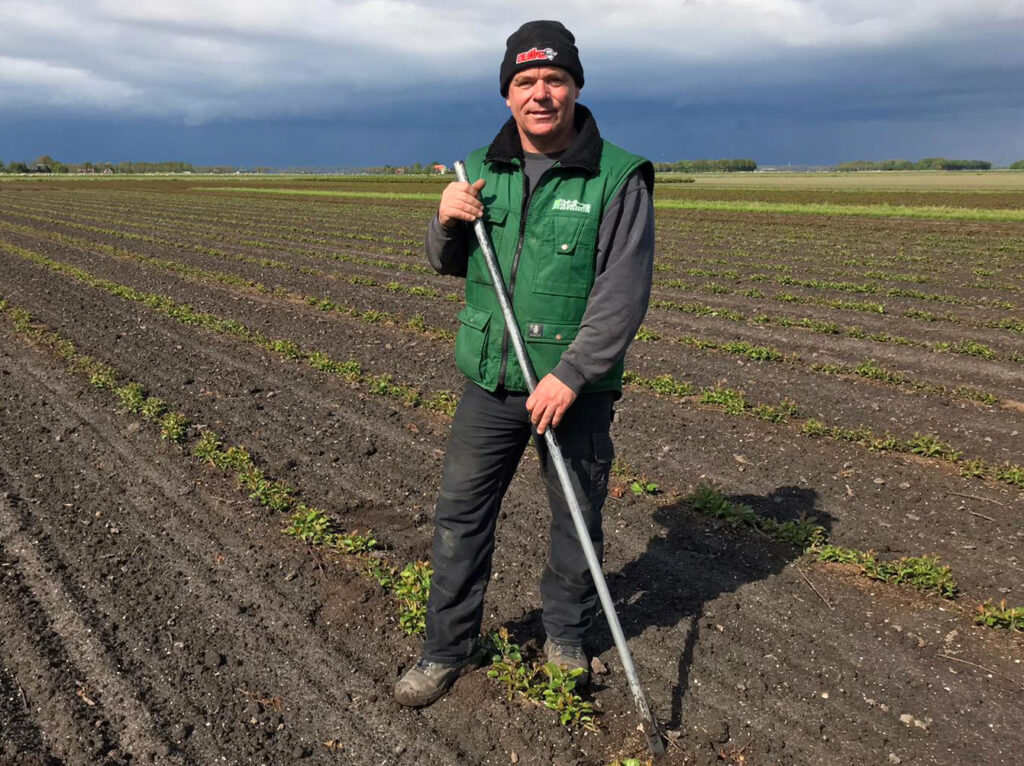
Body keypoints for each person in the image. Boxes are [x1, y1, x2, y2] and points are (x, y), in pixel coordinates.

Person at [394, 19, 655, 708]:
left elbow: (622, 294)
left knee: (576, 521)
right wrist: (445, 220)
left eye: (554, 79)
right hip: (491, 381)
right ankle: (446, 649)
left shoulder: (617, 178)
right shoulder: (485, 166)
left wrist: (570, 376)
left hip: (574, 390)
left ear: (574, 87)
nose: (540, 93)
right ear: (507, 93)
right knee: (460, 518)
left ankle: (566, 638)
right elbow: (447, 262)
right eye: (525, 81)